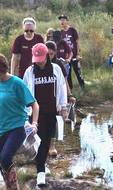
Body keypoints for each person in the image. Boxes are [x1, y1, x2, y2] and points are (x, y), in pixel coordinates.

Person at [23, 43, 68, 187]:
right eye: (37, 59)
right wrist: (25, 113)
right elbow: (25, 92)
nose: (39, 62)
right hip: (35, 114)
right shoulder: (30, 72)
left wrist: (63, 106)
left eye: (41, 58)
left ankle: (41, 164)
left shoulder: (56, 69)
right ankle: (40, 172)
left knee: (47, 140)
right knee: (39, 142)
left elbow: (61, 88)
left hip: (51, 112)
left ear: (47, 56)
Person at [0, 53, 39, 189]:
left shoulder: (16, 83)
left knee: (5, 157)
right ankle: (9, 186)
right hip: (1, 128)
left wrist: (34, 123)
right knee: (2, 160)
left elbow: (34, 104)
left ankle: (13, 186)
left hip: (17, 127)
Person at [45, 40, 76, 157]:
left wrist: (69, 95)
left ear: (55, 53)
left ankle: (52, 146)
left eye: (51, 54)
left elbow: (64, 82)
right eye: (46, 54)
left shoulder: (58, 64)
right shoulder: (38, 65)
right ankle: (42, 144)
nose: (49, 56)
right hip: (42, 98)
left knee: (54, 121)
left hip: (56, 98)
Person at [58, 14, 85, 89]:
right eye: (61, 20)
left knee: (78, 72)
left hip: (75, 56)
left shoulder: (72, 30)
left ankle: (83, 87)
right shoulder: (61, 32)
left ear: (67, 21)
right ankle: (70, 89)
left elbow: (77, 42)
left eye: (63, 20)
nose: (62, 21)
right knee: (68, 74)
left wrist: (78, 54)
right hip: (66, 57)